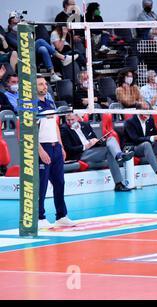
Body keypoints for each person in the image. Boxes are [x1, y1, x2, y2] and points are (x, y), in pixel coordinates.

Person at [36, 75, 75, 229]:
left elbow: (55, 125)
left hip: (55, 148)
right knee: (42, 185)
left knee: (60, 183)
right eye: (40, 84)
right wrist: (39, 151)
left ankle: (61, 216)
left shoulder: (50, 101)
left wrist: (61, 146)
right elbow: (28, 131)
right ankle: (39, 217)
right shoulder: (30, 105)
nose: (44, 87)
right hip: (43, 147)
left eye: (45, 84)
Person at [61, 114, 133, 192]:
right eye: (68, 120)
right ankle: (118, 182)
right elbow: (69, 149)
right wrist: (86, 146)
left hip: (93, 150)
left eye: (72, 119)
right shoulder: (64, 129)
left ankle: (119, 155)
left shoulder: (85, 125)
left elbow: (93, 137)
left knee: (111, 139)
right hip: (81, 154)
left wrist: (96, 140)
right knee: (110, 151)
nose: (70, 122)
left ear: (78, 118)